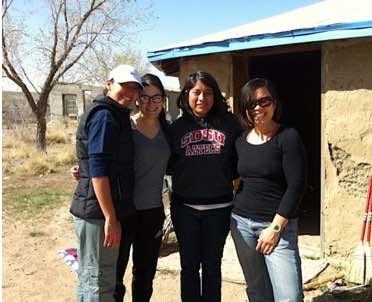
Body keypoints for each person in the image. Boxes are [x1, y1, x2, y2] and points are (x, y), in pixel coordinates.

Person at [167, 71, 243, 302]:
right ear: (186, 95)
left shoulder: (230, 125)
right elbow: (161, 162)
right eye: (196, 92)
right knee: (188, 267)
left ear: (216, 96)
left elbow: (244, 158)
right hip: (185, 209)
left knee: (212, 267)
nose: (202, 98)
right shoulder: (176, 129)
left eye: (208, 93)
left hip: (219, 209)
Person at [69, 64, 143, 301]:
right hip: (98, 214)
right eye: (124, 86)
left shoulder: (115, 115)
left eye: (135, 89)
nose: (130, 93)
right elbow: (100, 172)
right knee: (99, 282)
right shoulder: (105, 116)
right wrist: (110, 217)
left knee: (91, 279)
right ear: (109, 83)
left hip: (96, 209)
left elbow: (98, 162)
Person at [230, 78, 306, 302]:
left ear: (275, 104)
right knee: (258, 292)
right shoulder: (240, 141)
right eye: (251, 103)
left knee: (289, 296)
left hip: (277, 228)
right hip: (241, 224)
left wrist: (275, 228)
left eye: (264, 101)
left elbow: (296, 185)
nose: (258, 108)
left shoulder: (288, 137)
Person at [114, 73, 171, 302]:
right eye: (145, 97)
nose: (151, 103)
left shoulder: (169, 131)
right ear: (137, 98)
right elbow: (104, 158)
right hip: (124, 212)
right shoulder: (125, 126)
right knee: (115, 275)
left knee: (145, 275)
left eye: (156, 98)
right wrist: (83, 171)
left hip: (153, 213)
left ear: (163, 100)